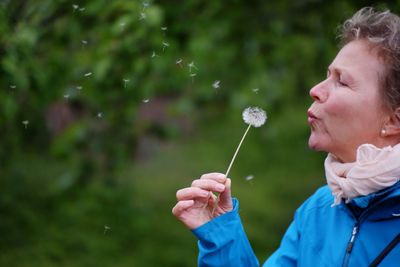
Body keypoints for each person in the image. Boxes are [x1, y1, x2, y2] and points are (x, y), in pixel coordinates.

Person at [172, 7, 400, 267]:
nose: (315, 90)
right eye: (327, 76)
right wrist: (221, 234)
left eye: (342, 82)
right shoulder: (317, 211)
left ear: (393, 121)